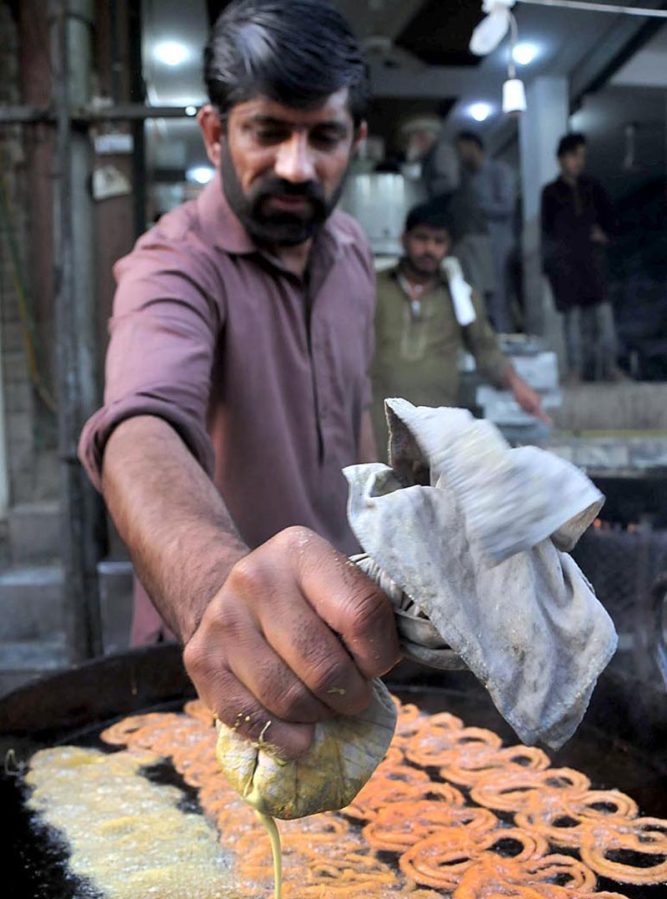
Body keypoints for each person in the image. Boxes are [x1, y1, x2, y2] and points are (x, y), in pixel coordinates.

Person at [79, 0, 400, 761]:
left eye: (321, 136)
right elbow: (138, 428)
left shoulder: (351, 251)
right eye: (267, 131)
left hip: (340, 636)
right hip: (215, 657)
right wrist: (220, 587)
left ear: (354, 140)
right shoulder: (172, 265)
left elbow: (352, 415)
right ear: (216, 132)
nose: (296, 166)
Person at [372, 202, 546, 450]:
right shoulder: (374, 287)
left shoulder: (460, 296)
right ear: (404, 239)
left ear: (448, 247)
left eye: (438, 241)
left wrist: (517, 386)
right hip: (376, 425)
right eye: (421, 239)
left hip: (435, 431)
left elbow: (485, 349)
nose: (429, 249)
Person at [541, 132, 621, 381]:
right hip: (567, 266)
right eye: (574, 155)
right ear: (562, 158)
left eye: (582, 156)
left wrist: (604, 235)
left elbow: (611, 219)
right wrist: (552, 266)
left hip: (593, 263)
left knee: (603, 319)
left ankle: (610, 368)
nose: (578, 161)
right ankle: (575, 370)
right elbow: (547, 232)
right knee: (572, 322)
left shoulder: (593, 187)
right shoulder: (551, 192)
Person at [403, 115, 495, 306]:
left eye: (413, 138)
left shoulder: (442, 152)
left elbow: (449, 182)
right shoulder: (432, 157)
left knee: (473, 289)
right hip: (461, 232)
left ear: (422, 137)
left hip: (468, 231)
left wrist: (425, 201)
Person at [456, 131, 516, 333]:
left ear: (473, 146)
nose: (460, 154)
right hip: (476, 248)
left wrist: (477, 207)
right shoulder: (467, 179)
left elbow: (507, 206)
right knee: (478, 300)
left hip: (498, 246)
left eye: (462, 148)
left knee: (499, 301)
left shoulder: (499, 171)